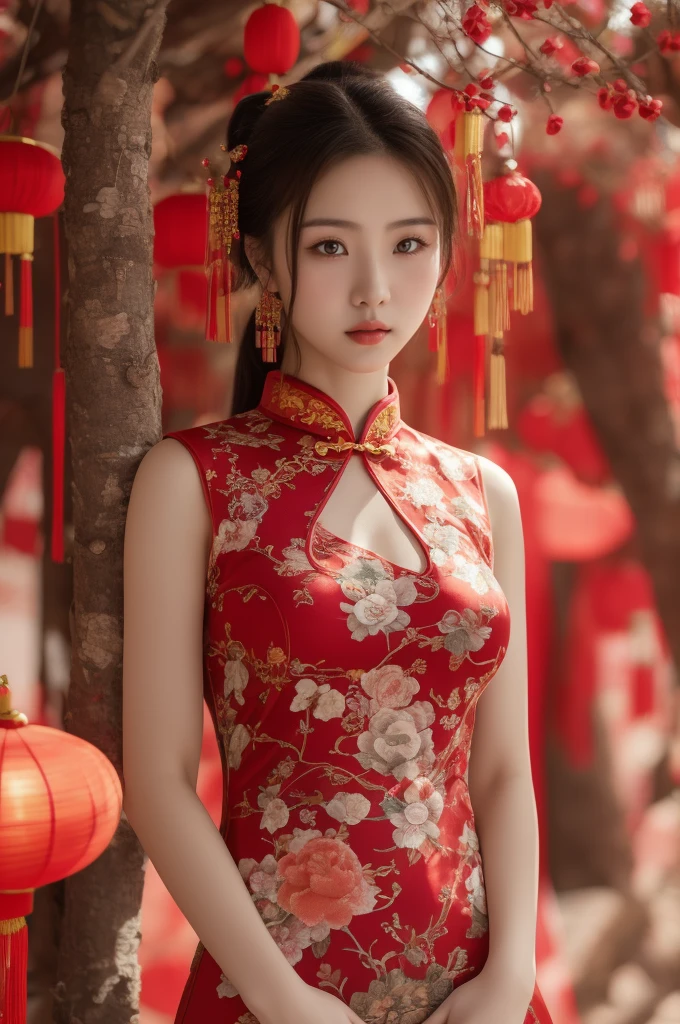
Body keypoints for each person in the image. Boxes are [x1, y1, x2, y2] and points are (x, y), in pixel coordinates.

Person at [122, 60, 554, 1024]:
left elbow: (500, 771)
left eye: (409, 244)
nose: (375, 286)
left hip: (476, 996)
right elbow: (156, 785)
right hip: (274, 996)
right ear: (263, 259)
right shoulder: (195, 480)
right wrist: (284, 1001)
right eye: (329, 248)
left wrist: (511, 974)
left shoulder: (483, 493)